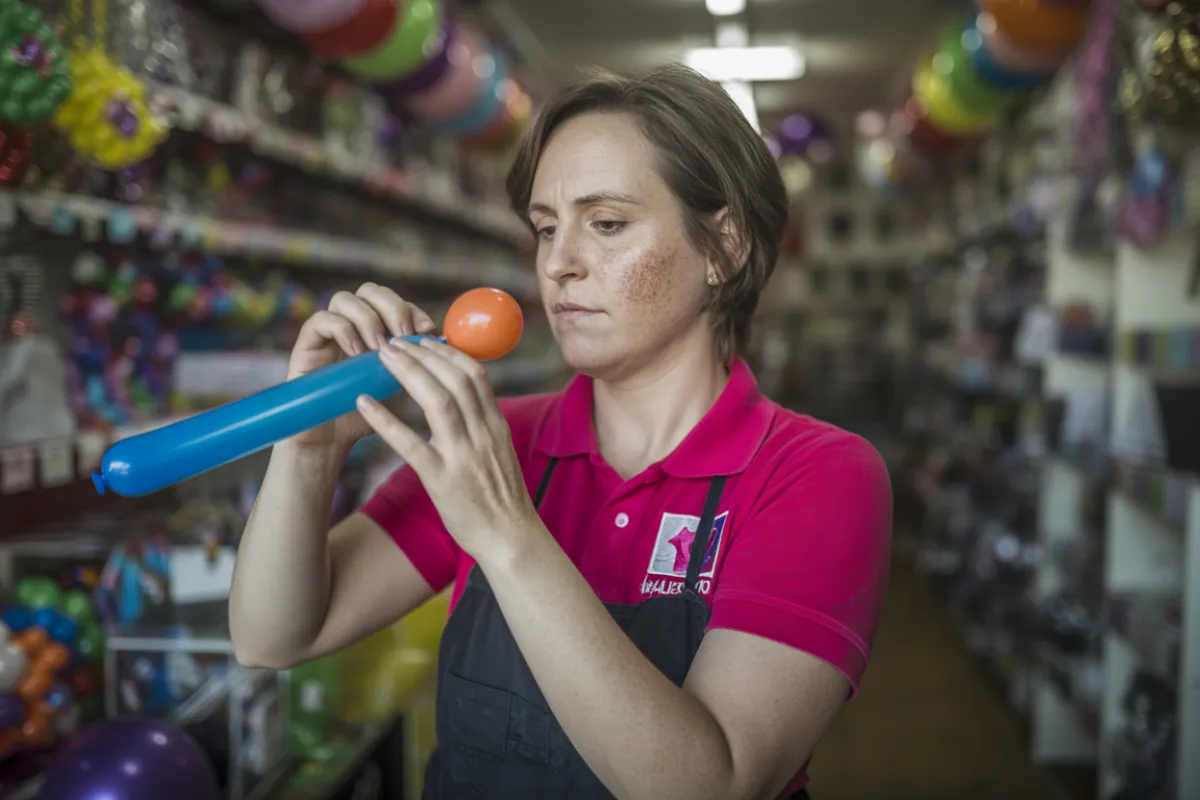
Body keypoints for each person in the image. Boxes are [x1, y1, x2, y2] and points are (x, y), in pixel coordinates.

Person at [229, 64, 893, 800]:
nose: (558, 264)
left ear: (723, 247)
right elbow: (274, 636)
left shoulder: (818, 473)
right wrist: (307, 453)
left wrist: (506, 532)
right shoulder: (500, 435)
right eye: (546, 228)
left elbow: (713, 784)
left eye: (605, 224)